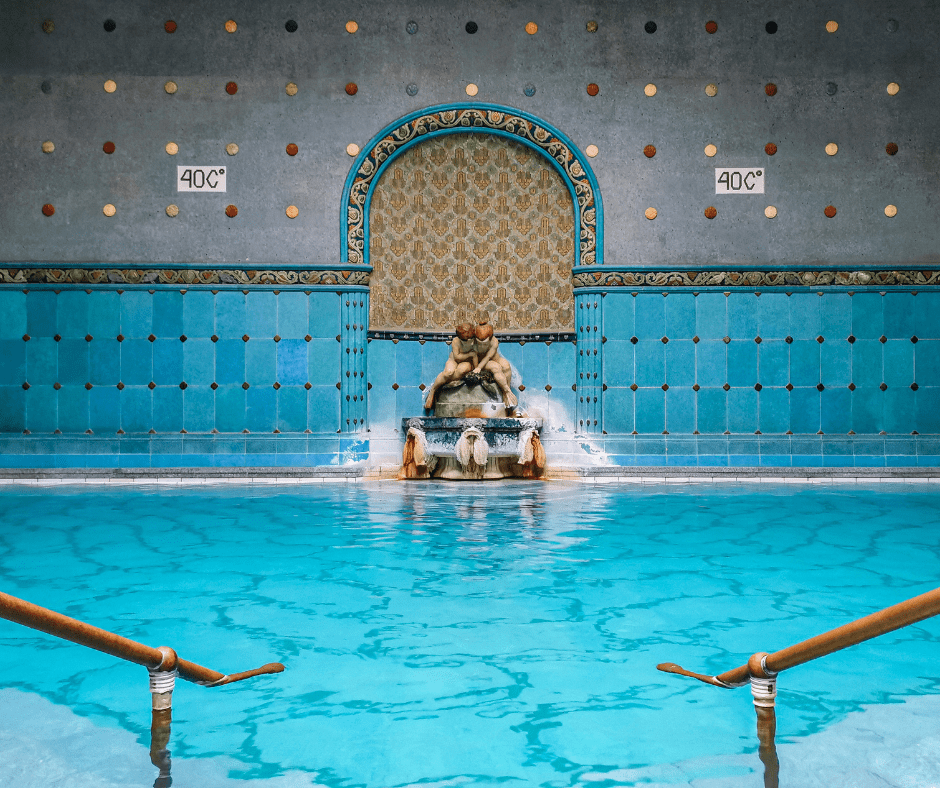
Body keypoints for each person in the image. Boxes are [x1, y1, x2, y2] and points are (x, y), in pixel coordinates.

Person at [423, 322, 478, 410]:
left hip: (467, 362)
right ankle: (433, 390)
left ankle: (441, 385)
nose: (465, 336)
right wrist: (470, 354)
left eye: (467, 333)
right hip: (455, 359)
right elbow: (457, 357)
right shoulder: (456, 340)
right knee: (448, 372)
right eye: (463, 334)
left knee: (462, 370)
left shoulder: (475, 340)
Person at [473, 320, 517, 408]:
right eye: (480, 343)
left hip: (491, 359)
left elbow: (488, 357)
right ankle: (507, 392)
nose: (482, 346)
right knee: (495, 367)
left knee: (506, 365)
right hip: (480, 363)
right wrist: (478, 368)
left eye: (484, 343)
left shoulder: (494, 341)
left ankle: (507, 394)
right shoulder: (471, 342)